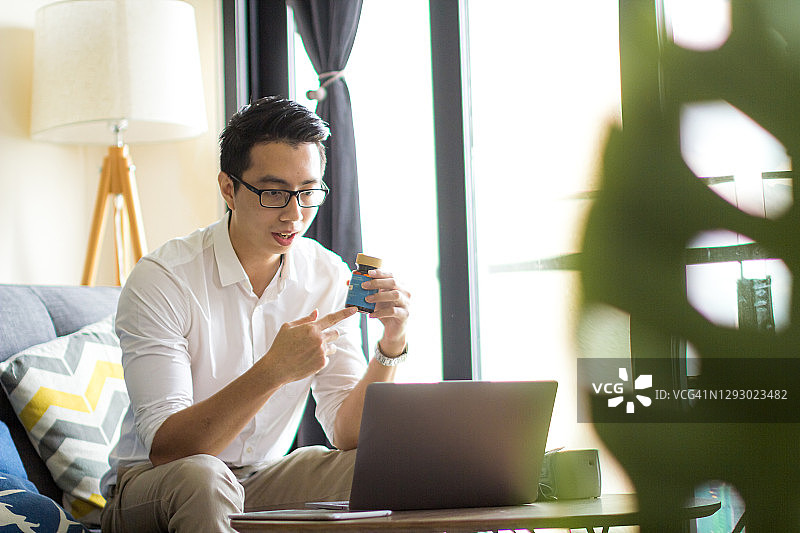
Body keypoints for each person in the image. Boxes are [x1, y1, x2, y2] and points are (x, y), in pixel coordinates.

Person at [99, 96, 411, 532]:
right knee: (203, 478)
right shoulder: (163, 279)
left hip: (260, 479)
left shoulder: (325, 273)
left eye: (308, 192)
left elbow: (347, 434)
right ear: (229, 188)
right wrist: (274, 370)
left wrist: (390, 345)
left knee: (384, 463)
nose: (295, 214)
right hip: (156, 484)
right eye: (274, 193)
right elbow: (169, 450)